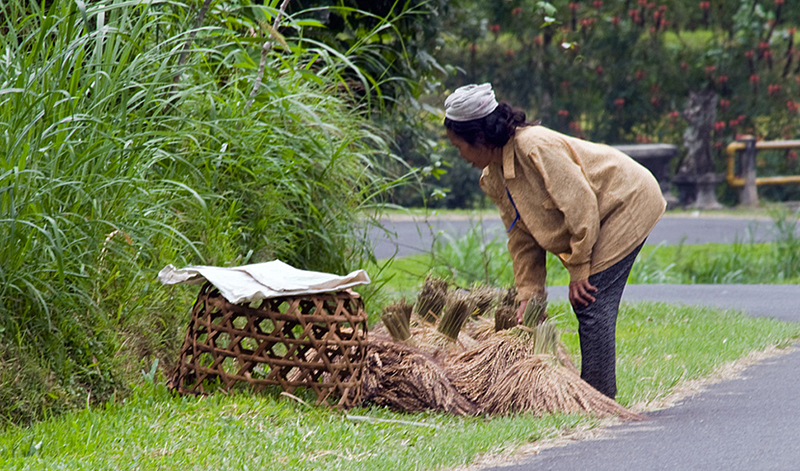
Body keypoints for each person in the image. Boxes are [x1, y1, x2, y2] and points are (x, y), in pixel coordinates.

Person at [443, 83, 666, 400]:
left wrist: (579, 269)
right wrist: (529, 296)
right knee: (588, 302)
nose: (461, 156)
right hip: (596, 216)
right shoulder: (492, 177)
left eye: (459, 146)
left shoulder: (535, 146)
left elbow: (581, 205)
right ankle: (594, 394)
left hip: (625, 201)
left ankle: (597, 398)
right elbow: (522, 238)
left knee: (591, 301)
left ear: (478, 137)